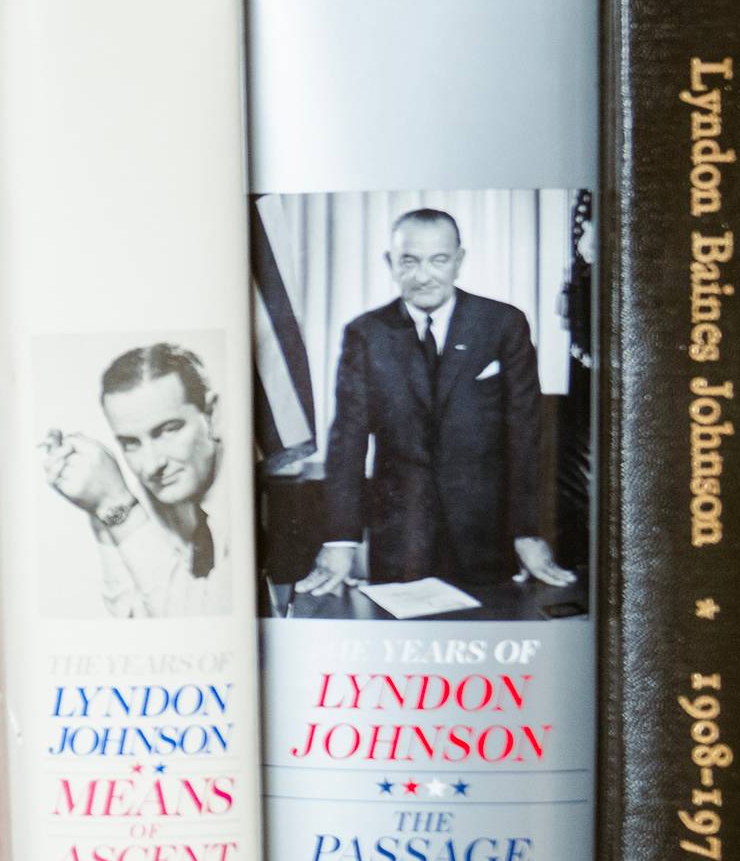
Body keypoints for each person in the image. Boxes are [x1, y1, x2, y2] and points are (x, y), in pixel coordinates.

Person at [299, 207, 573, 602]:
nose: (423, 276)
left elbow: (525, 436)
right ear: (390, 263)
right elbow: (348, 441)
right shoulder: (365, 334)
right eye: (409, 261)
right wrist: (341, 541)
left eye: (438, 260)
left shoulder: (502, 324)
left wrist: (527, 531)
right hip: (401, 538)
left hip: (489, 535)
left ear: (459, 261)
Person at [45, 342, 233, 617]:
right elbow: (130, 616)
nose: (152, 464)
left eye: (168, 430)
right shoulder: (150, 495)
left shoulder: (259, 492)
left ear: (212, 415)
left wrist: (115, 504)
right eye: (131, 443)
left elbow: (201, 622)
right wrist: (100, 507)